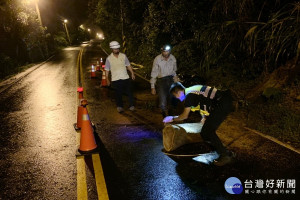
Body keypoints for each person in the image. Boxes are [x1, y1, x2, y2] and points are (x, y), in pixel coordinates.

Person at [163, 82, 235, 166]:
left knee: (208, 131)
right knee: (204, 133)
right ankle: (222, 151)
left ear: (178, 92)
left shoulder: (189, 95)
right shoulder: (192, 91)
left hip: (222, 102)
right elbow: (205, 102)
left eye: (176, 96)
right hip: (223, 101)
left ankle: (225, 155)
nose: (177, 98)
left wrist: (172, 118)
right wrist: (204, 117)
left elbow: (185, 115)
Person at [105, 41, 135, 113]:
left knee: (129, 92)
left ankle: (132, 105)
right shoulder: (109, 59)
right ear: (112, 49)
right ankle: (120, 106)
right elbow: (107, 70)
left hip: (125, 77)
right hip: (115, 79)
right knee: (118, 94)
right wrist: (107, 79)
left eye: (118, 49)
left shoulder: (123, 56)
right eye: (115, 49)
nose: (117, 50)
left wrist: (132, 73)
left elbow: (128, 65)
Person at [150, 45, 178, 117]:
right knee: (162, 101)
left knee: (172, 99)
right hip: (161, 81)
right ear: (162, 51)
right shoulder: (157, 59)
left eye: (167, 51)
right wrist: (152, 87)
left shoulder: (173, 58)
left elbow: (174, 71)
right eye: (164, 51)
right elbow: (154, 73)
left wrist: (176, 81)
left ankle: (171, 116)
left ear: (170, 51)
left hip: (171, 80)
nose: (166, 53)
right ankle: (164, 116)